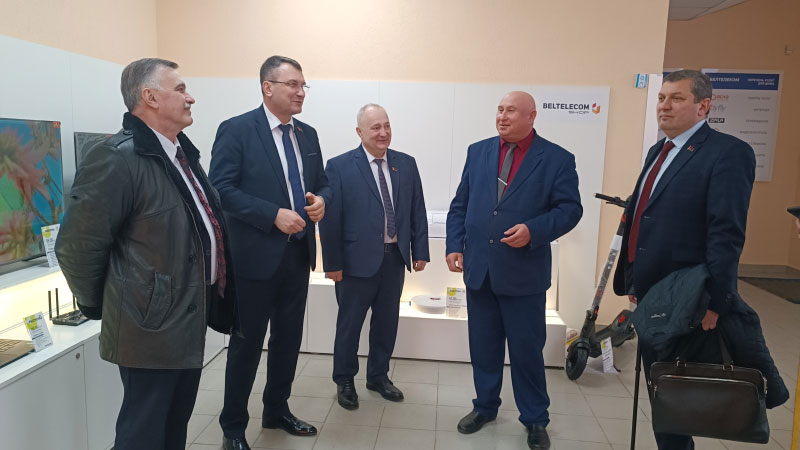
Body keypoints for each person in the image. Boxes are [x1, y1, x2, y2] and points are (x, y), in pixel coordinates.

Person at [55, 58, 236, 450]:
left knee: (172, 429)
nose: (191, 97)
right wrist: (101, 304)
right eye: (180, 89)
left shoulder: (181, 155)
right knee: (143, 433)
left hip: (185, 318)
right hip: (150, 326)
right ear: (150, 97)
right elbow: (76, 246)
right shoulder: (116, 158)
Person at [612, 69, 757, 449]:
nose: (664, 106)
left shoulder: (728, 153)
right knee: (661, 390)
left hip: (690, 296)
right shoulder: (658, 152)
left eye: (676, 98)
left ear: (703, 106)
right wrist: (634, 278)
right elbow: (645, 219)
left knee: (677, 401)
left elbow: (726, 234)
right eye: (662, 98)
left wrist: (716, 301)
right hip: (652, 293)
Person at [445, 91, 582, 450]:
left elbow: (570, 210)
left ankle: (535, 418)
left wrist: (534, 230)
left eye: (511, 111)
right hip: (480, 271)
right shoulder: (478, 151)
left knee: (526, 352)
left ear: (532, 116)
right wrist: (454, 244)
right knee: (484, 348)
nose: (502, 117)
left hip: (523, 276)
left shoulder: (556, 159)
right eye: (500, 110)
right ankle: (485, 407)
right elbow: (460, 204)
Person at [209, 55, 331, 450]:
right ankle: (233, 428)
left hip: (297, 256)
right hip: (254, 260)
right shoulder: (237, 130)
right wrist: (271, 215)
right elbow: (220, 189)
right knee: (246, 346)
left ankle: (276, 410)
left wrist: (321, 201)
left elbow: (322, 183)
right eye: (293, 84)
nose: (301, 92)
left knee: (288, 340)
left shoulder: (307, 135)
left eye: (303, 85)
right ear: (267, 87)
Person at [319, 104, 429, 410]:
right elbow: (330, 219)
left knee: (386, 323)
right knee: (349, 325)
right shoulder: (340, 166)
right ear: (360, 132)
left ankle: (378, 376)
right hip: (354, 264)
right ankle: (344, 380)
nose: (383, 133)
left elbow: (416, 208)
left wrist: (419, 250)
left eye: (387, 126)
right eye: (375, 127)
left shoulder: (406, 164)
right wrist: (333, 263)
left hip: (394, 260)